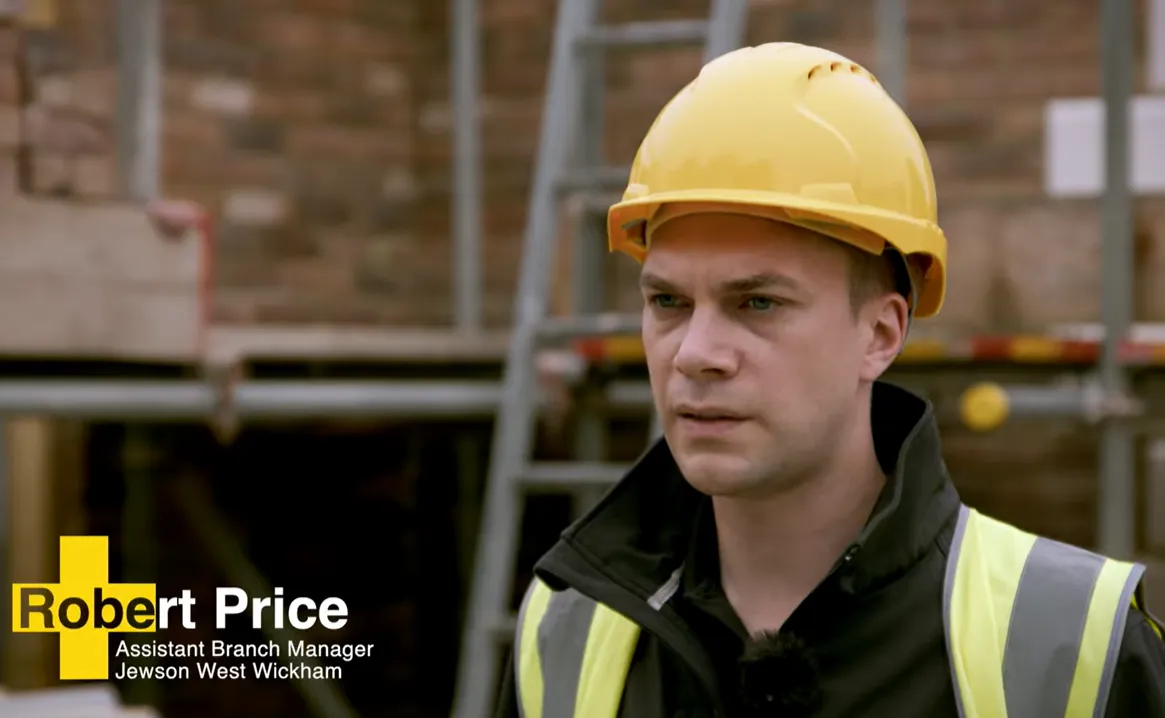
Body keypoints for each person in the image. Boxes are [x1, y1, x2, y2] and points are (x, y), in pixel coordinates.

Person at [494, 42, 1165, 718]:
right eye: (667, 302)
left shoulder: (1072, 643)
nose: (695, 353)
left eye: (757, 302)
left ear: (879, 334)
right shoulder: (564, 632)